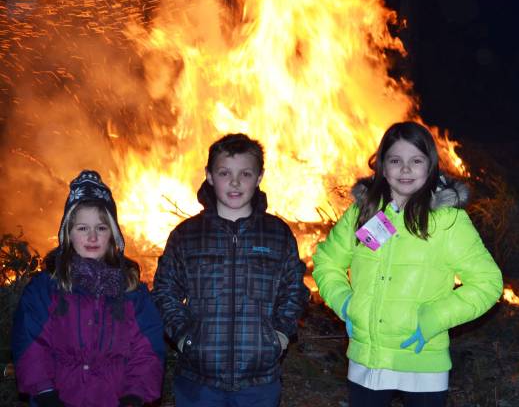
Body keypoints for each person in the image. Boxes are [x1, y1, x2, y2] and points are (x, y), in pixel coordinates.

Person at [312, 122, 503, 407]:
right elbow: (327, 262)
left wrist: (435, 318)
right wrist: (345, 303)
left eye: (415, 161)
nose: (405, 169)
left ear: (430, 166)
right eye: (395, 161)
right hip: (369, 360)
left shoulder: (448, 222)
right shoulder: (362, 213)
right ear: (382, 166)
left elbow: (488, 283)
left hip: (423, 361)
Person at [153, 133, 308, 407]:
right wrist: (183, 337)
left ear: (259, 177)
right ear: (210, 176)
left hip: (259, 382)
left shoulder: (277, 234)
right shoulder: (187, 235)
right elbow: (165, 290)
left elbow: (294, 290)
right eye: (224, 173)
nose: (235, 182)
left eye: (245, 174)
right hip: (198, 381)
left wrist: (281, 335)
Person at [12, 170, 165, 407]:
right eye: (83, 228)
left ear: (113, 235)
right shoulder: (45, 288)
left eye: (101, 228)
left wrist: (134, 397)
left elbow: (147, 351)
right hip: (58, 399)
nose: (92, 236)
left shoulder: (132, 292)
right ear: (68, 233)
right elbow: (31, 343)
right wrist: (44, 393)